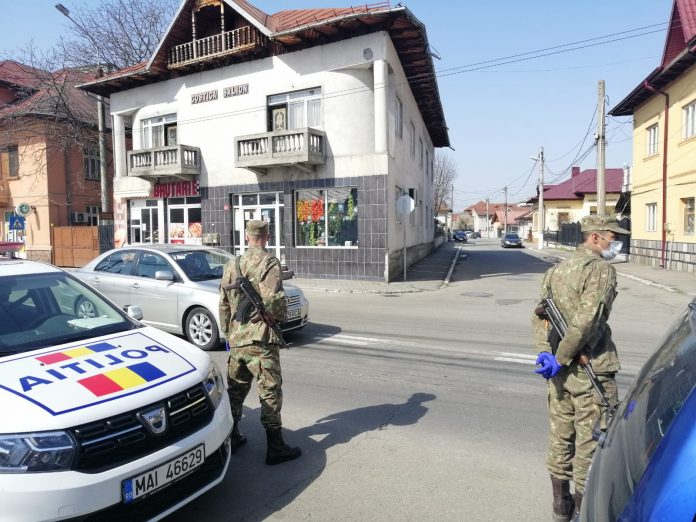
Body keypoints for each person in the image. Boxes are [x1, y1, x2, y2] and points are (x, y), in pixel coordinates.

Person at [532, 214, 628, 522]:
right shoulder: (600, 270)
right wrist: (560, 356)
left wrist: (546, 353)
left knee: (560, 441)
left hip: (559, 376)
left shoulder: (555, 270)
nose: (616, 242)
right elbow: (587, 321)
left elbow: (540, 317)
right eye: (613, 237)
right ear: (595, 237)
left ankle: (561, 512)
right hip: (591, 372)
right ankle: (585, 514)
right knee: (591, 447)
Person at [219, 220, 302, 465]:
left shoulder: (232, 264)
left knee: (235, 391)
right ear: (267, 236)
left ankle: (232, 437)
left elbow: (223, 304)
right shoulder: (269, 262)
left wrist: (229, 334)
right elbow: (273, 301)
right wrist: (280, 317)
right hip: (262, 339)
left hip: (237, 340)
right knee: (269, 391)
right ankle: (275, 447)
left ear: (247, 237)